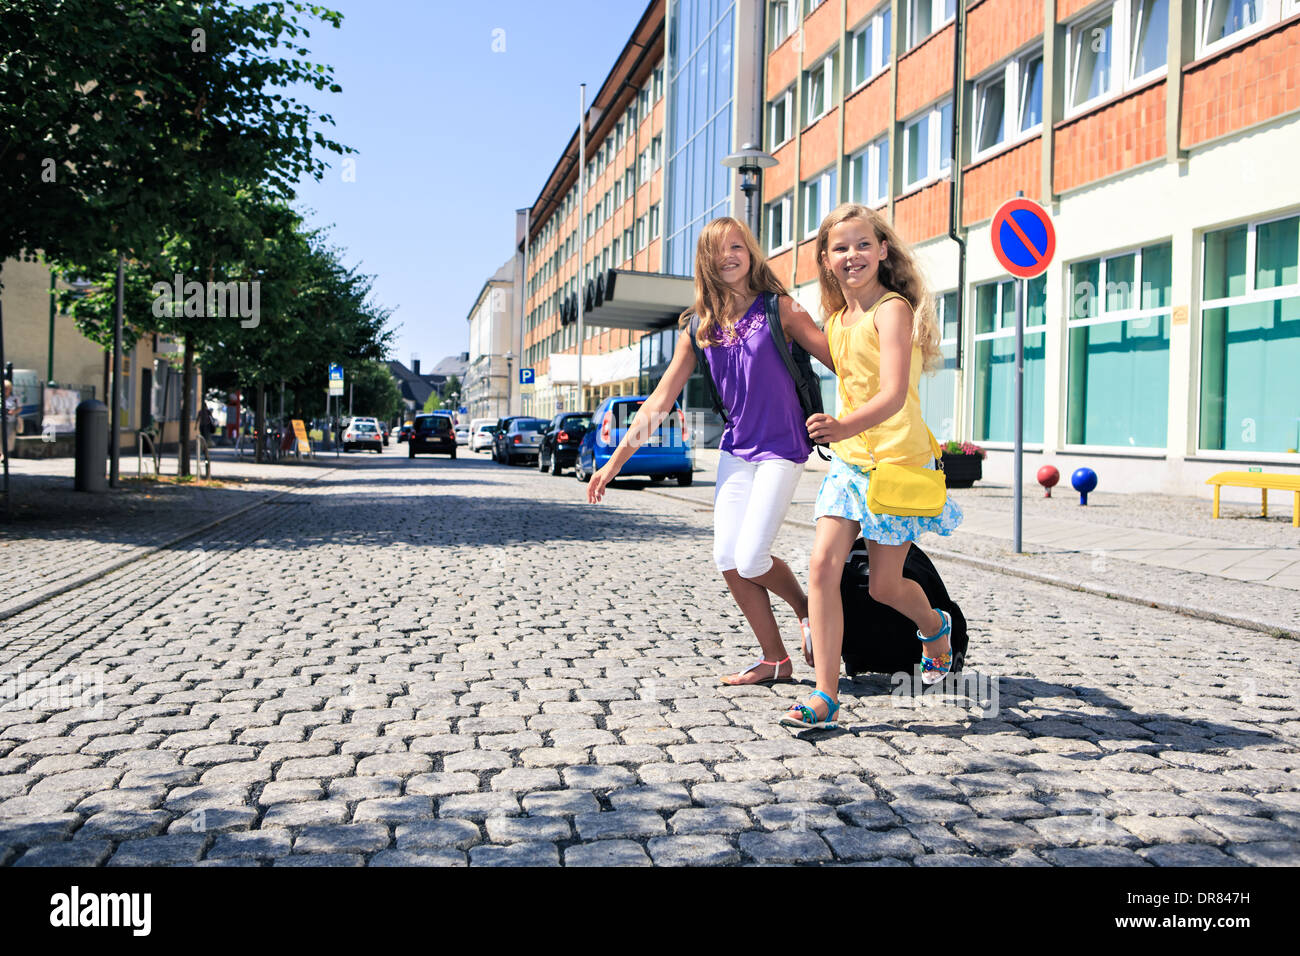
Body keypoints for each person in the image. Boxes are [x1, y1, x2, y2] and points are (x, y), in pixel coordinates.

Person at [587, 217, 833, 685]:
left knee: (753, 556)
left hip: (783, 447)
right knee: (727, 556)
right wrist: (613, 463)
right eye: (719, 251)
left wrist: (863, 418)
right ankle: (775, 659)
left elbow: (836, 358)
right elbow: (658, 402)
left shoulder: (779, 307)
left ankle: (805, 607)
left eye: (737, 247)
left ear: (751, 252)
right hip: (737, 450)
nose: (729, 257)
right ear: (706, 261)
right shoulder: (698, 327)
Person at [781, 203, 963, 730]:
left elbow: (891, 393)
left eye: (863, 244)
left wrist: (839, 425)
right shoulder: (837, 321)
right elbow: (821, 348)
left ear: (883, 251)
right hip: (851, 463)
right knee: (821, 567)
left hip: (897, 461)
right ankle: (824, 695)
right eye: (840, 247)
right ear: (826, 259)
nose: (852, 255)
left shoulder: (893, 309)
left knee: (885, 587)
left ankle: (935, 627)